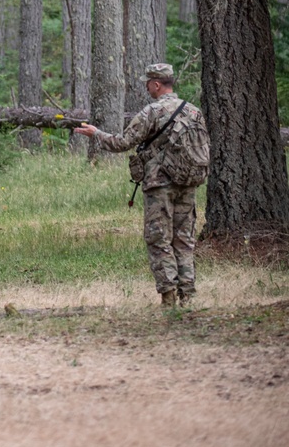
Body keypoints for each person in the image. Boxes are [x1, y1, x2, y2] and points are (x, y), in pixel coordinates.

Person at [77, 63, 205, 308]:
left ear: (157, 84)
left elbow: (123, 142)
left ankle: (168, 297)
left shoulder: (152, 112)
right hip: (189, 184)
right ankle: (187, 296)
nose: (146, 87)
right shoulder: (194, 112)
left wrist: (96, 134)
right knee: (184, 239)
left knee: (159, 239)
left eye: (148, 82)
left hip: (160, 185)